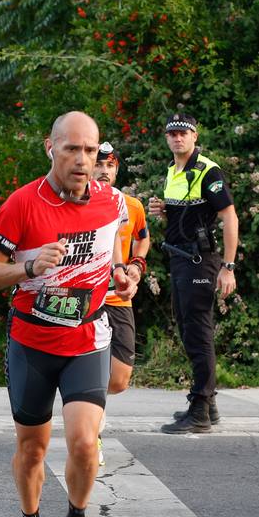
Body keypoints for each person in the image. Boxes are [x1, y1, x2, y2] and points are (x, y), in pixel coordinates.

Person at [0, 111, 137, 517]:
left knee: (85, 443)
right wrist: (28, 269)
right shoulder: (22, 204)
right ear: (51, 148)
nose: (82, 160)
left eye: (90, 150)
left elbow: (110, 257)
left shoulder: (111, 203)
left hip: (86, 337)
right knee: (33, 449)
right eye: (72, 149)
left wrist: (121, 277)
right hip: (32, 341)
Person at [147, 113, 239, 434]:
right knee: (188, 329)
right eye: (172, 133)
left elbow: (229, 216)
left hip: (201, 261)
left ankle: (199, 408)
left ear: (195, 136)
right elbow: (190, 214)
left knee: (198, 333)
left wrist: (228, 267)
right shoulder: (173, 171)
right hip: (180, 259)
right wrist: (165, 212)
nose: (177, 138)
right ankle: (208, 404)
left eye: (183, 133)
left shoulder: (207, 170)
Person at [93, 141, 150, 465]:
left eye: (110, 166)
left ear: (117, 170)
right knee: (93, 374)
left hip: (120, 299)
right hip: (89, 300)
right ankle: (90, 430)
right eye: (99, 164)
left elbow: (143, 236)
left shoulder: (131, 205)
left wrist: (137, 265)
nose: (104, 171)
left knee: (119, 380)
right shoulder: (80, 204)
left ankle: (85, 404)